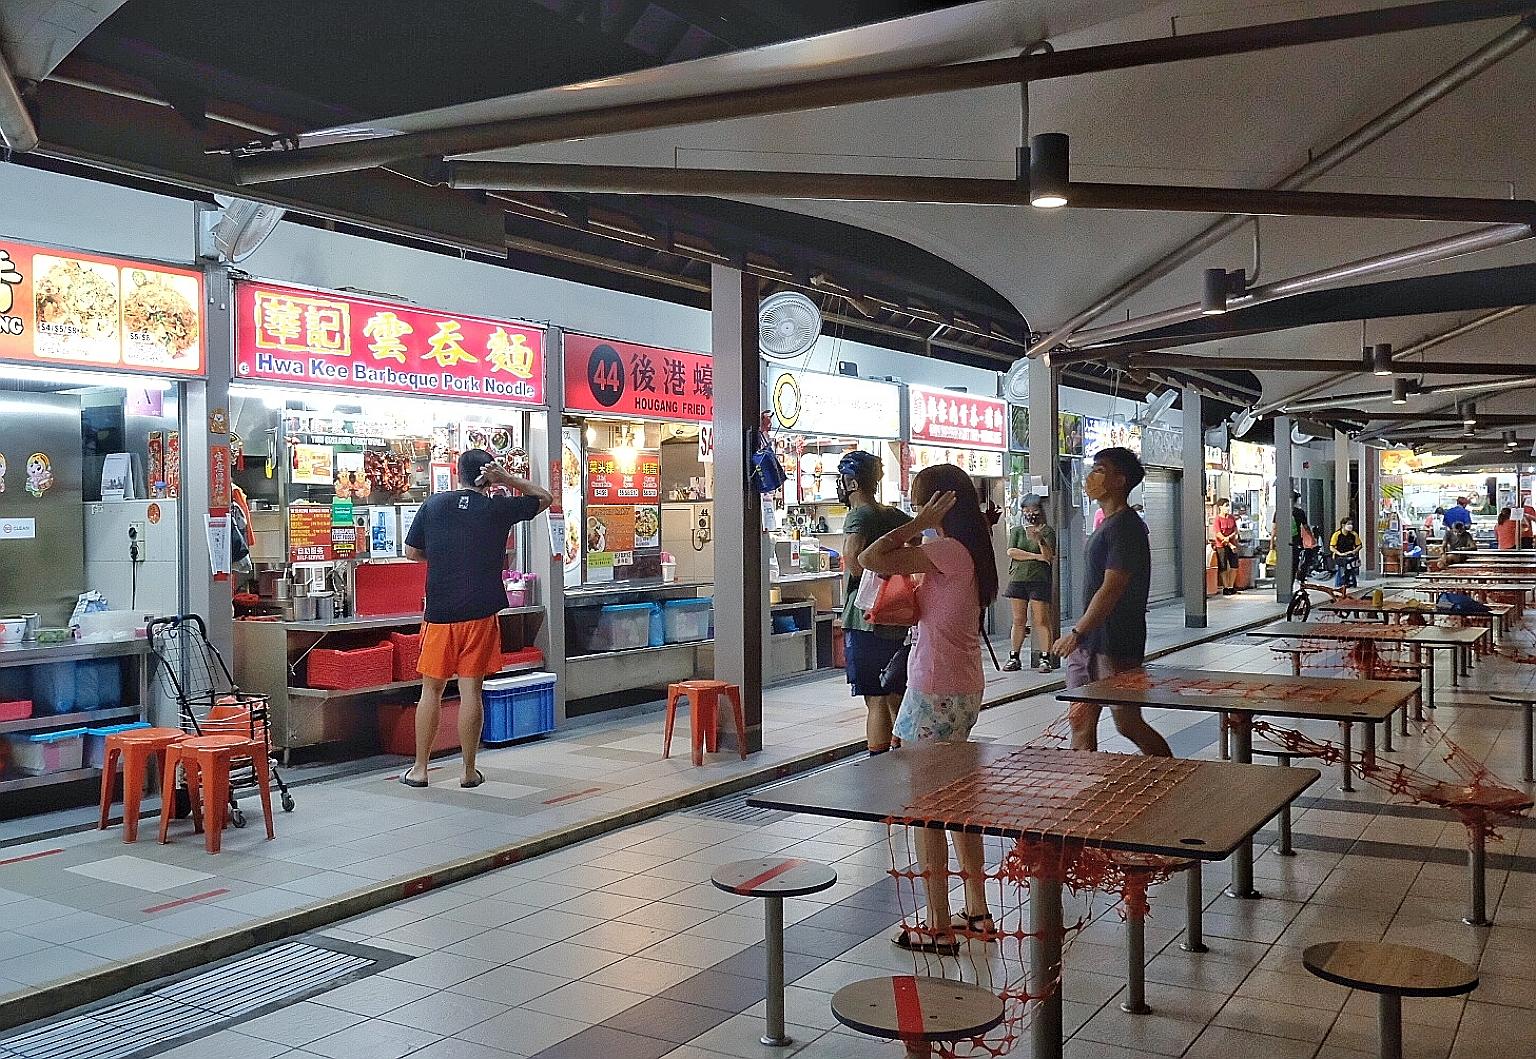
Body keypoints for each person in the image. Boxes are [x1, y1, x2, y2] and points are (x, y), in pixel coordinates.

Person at [860, 463, 999, 952]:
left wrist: (918, 522)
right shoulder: (970, 551)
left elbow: (871, 558)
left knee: (928, 810)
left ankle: (938, 925)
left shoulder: (945, 549)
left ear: (939, 503)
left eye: (921, 499)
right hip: (960, 687)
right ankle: (977, 910)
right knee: (957, 803)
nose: (916, 507)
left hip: (935, 689)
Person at [400, 449, 552, 788]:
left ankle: (420, 770)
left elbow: (411, 552)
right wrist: (508, 479)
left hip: (439, 613)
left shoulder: (433, 505)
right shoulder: (496, 508)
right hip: (480, 613)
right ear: (488, 476)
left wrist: (442, 553)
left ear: (457, 473)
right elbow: (544, 497)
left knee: (432, 690)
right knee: (472, 691)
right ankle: (468, 772)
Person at [1052, 447, 1172, 757]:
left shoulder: (1126, 527)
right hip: (1092, 642)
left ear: (1119, 480)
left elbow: (1111, 588)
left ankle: (1173, 772)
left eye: (1099, 470)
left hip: (1116, 642)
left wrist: (1077, 631)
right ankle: (1085, 788)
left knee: (1127, 722)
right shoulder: (1107, 524)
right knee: (1080, 719)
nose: (1090, 477)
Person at [836, 450, 911, 755]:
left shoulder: (859, 515)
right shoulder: (893, 514)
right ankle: (904, 751)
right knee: (895, 690)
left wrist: (872, 572)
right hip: (896, 614)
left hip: (865, 617)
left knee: (876, 697)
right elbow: (919, 538)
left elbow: (854, 562)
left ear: (851, 482)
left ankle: (877, 761)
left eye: (841, 480)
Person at [1003, 494, 1057, 673]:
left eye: (1033, 510)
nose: (1030, 514)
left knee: (1041, 619)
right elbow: (1011, 551)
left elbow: (1048, 557)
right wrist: (1035, 556)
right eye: (1026, 510)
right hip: (1018, 578)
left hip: (1039, 579)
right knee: (1018, 619)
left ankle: (1045, 658)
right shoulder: (1017, 530)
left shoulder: (1048, 531)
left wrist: (1039, 539)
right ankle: (1014, 657)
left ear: (1040, 511)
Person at [1211, 498, 1241, 596]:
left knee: (1234, 565)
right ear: (1220, 507)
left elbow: (1235, 530)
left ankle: (1231, 586)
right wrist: (1228, 542)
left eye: (1228, 505)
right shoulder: (1217, 519)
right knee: (1223, 566)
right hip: (1221, 545)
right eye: (1225, 506)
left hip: (1231, 543)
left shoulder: (1231, 518)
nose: (1227, 508)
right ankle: (1225, 587)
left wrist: (1229, 538)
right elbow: (1218, 534)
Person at [1329, 516, 1362, 588]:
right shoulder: (1337, 534)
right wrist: (1339, 553)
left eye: (1351, 524)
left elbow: (1359, 545)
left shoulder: (1353, 534)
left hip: (1350, 555)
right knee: (1345, 565)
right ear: (1343, 525)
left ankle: (1349, 582)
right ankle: (1342, 583)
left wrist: (1354, 551)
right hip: (1339, 556)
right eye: (1349, 524)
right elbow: (1331, 547)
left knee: (1352, 564)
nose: (1351, 526)